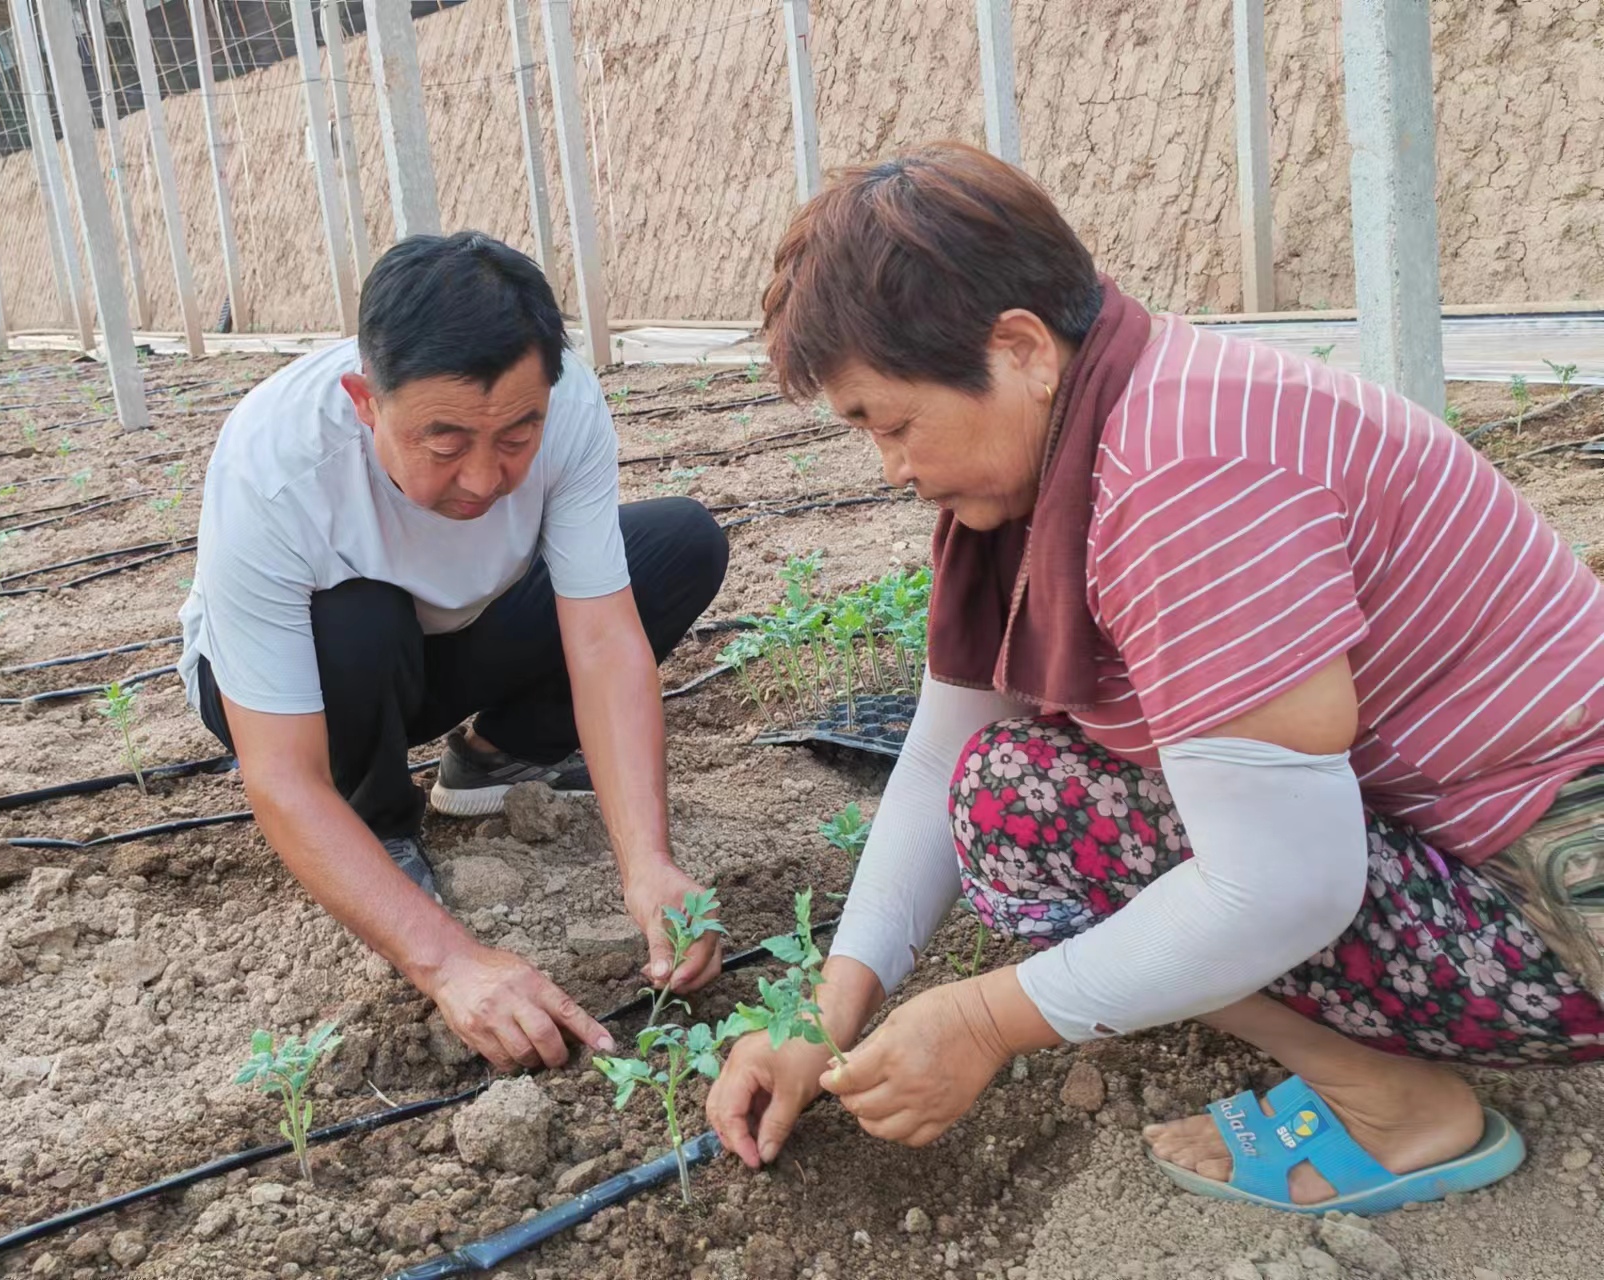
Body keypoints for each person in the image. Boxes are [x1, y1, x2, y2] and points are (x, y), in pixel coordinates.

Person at [706, 142, 1604, 1214]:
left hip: (1561, 915)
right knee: (1001, 782)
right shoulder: (1103, 425)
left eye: (894, 424)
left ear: (1021, 349)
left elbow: (1286, 884)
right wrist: (822, 1014)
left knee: (1021, 805)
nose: (893, 468)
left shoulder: (1185, 475)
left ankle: (1394, 1107)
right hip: (1489, 858)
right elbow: (943, 752)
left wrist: (986, 1019)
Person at [179, 232, 730, 1073]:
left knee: (676, 546)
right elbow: (280, 774)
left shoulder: (564, 405)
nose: (482, 480)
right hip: (304, 687)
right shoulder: (275, 466)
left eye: (515, 439)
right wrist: (448, 962)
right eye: (444, 445)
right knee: (359, 617)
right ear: (365, 403)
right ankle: (374, 820)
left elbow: (602, 639)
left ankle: (493, 757)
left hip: (449, 639)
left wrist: (648, 864)